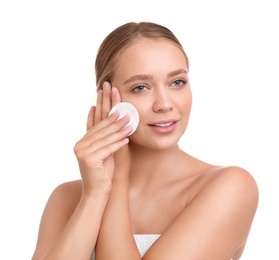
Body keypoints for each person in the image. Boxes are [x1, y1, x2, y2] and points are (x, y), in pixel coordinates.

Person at [31, 22, 259, 260]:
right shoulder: (67, 198)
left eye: (177, 82)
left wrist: (116, 183)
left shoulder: (230, 187)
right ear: (108, 99)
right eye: (141, 87)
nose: (164, 104)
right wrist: (95, 195)